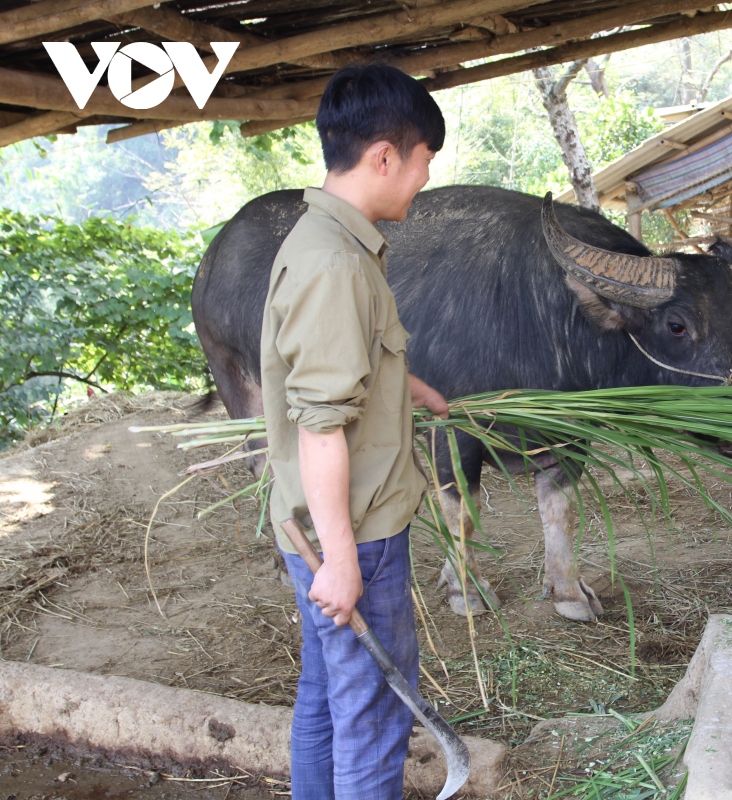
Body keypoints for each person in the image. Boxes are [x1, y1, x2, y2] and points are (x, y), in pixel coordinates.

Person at [260, 61, 449, 800]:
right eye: (425, 161)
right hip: (354, 535)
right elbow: (319, 430)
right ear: (384, 157)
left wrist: (411, 387)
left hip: (324, 525)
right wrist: (341, 561)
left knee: (326, 702)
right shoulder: (334, 265)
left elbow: (344, 371)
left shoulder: (325, 243)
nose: (426, 179)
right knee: (371, 719)